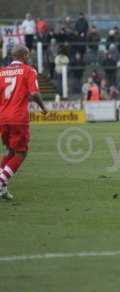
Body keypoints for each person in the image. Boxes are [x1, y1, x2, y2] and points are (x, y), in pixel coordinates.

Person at [0, 45, 47, 199]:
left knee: (11, 151)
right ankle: (1, 181)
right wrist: (43, 107)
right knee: (21, 153)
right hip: (18, 118)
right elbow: (34, 93)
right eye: (28, 55)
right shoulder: (29, 70)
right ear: (25, 55)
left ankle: (3, 189)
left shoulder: (2, 72)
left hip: (3, 118)